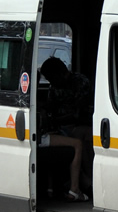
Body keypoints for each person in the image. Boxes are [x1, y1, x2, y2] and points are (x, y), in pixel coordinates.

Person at [39, 56, 93, 202]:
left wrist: (57, 120)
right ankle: (82, 185)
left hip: (79, 123)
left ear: (61, 73)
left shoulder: (80, 83)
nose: (51, 83)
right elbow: (50, 106)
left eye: (52, 78)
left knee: (80, 137)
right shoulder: (54, 86)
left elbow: (78, 113)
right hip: (58, 126)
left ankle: (87, 183)